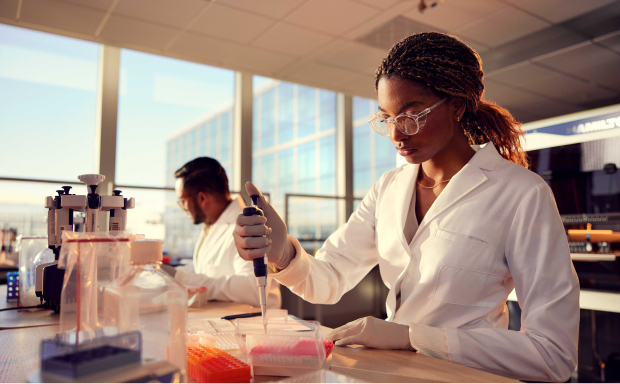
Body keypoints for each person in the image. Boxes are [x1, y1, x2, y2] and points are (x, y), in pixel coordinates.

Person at [233, 32, 579, 382]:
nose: (397, 134)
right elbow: (330, 279)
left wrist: (413, 337)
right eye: (387, 117)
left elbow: (553, 354)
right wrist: (284, 255)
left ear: (457, 105)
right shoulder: (389, 187)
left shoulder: (521, 194)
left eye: (412, 115)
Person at [173, 157, 281, 309]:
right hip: (226, 321)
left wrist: (187, 280)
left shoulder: (249, 225)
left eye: (183, 200)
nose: (183, 207)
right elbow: (205, 267)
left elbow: (253, 288)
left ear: (202, 198)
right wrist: (172, 274)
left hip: (255, 324)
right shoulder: (213, 225)